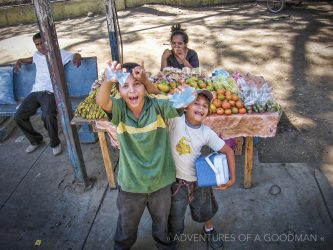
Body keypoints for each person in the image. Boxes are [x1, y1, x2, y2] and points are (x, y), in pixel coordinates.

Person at [96, 61, 182, 250]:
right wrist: (109, 78)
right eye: (125, 86)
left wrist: (184, 97)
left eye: (137, 84)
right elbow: (102, 101)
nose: (132, 90)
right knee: (126, 227)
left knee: (163, 225)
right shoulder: (119, 110)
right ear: (118, 91)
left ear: (145, 87)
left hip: (161, 181)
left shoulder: (157, 106)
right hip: (131, 184)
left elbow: (175, 104)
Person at [167, 90, 236, 249]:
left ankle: (209, 229)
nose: (200, 108)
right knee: (175, 217)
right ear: (185, 107)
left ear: (208, 111)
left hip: (199, 181)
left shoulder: (206, 132)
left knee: (206, 209)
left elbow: (229, 151)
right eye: (196, 103)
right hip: (175, 183)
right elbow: (162, 106)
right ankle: (173, 239)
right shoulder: (174, 120)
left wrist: (232, 179)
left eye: (205, 105)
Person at [14, 32, 81, 155]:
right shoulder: (36, 55)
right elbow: (30, 60)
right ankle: (36, 141)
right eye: (37, 44)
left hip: (50, 92)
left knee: (47, 116)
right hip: (35, 92)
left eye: (41, 43)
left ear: (46, 42)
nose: (40, 47)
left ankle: (55, 143)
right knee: (18, 115)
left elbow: (75, 55)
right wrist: (19, 60)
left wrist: (77, 58)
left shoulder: (58, 53)